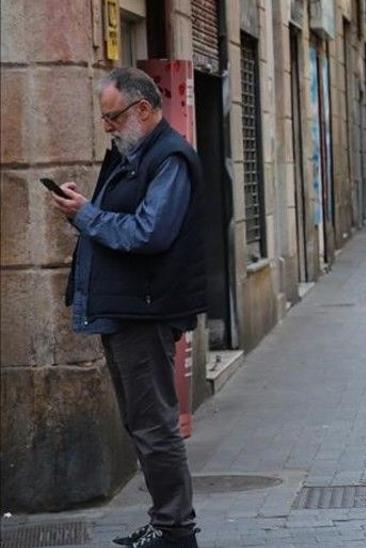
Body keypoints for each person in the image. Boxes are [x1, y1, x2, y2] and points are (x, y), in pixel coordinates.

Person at [48, 67, 204, 548]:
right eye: (104, 119)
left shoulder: (169, 158)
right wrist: (86, 210)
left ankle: (176, 530)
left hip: (146, 311)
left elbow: (148, 233)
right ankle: (166, 522)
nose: (108, 127)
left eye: (113, 117)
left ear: (142, 109)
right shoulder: (128, 156)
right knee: (142, 423)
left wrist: (86, 215)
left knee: (155, 426)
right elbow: (118, 222)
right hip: (125, 309)